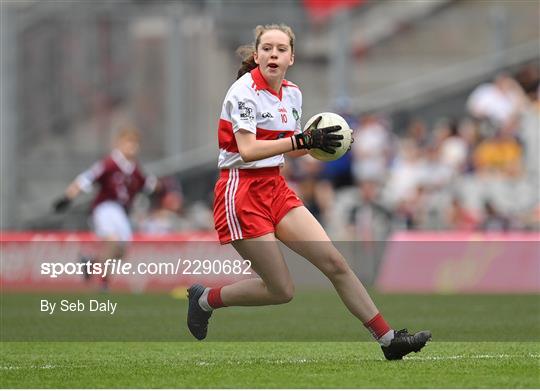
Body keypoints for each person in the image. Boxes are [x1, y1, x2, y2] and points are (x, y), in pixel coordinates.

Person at [186, 24, 431, 360]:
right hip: (240, 191)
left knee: (335, 262)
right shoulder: (242, 92)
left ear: (291, 57)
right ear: (256, 55)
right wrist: (300, 140)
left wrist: (324, 143)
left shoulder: (293, 93)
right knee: (281, 290)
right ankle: (204, 299)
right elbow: (246, 149)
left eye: (281, 49)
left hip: (275, 186)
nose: (274, 54)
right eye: (267, 48)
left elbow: (292, 149)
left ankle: (389, 341)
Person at [53, 125, 159, 290]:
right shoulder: (109, 164)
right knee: (113, 241)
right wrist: (68, 197)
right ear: (119, 144)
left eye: (135, 143)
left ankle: (90, 261)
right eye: (129, 142)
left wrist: (165, 188)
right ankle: (104, 283)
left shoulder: (134, 169)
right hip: (105, 208)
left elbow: (150, 184)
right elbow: (85, 179)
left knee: (121, 251)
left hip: (122, 213)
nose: (132, 147)